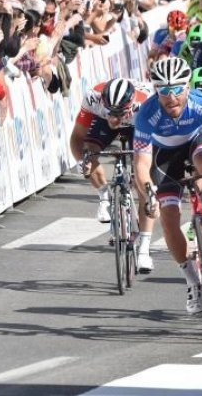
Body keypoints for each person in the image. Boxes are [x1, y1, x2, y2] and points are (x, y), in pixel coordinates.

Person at [133, 57, 202, 314]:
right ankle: (193, 282)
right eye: (163, 90)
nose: (171, 97)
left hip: (196, 143)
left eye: (177, 89)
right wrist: (148, 194)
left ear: (188, 86)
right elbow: (141, 163)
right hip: (164, 156)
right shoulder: (146, 114)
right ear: (156, 91)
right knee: (168, 217)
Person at [70, 78, 157, 273]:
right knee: (89, 151)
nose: (114, 119)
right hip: (101, 123)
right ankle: (104, 196)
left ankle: (144, 249)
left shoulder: (148, 105)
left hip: (138, 125)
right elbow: (76, 137)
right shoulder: (93, 98)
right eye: (110, 112)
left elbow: (158, 143)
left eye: (119, 113)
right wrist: (81, 161)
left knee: (142, 180)